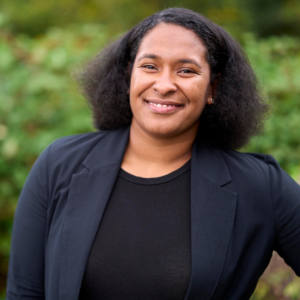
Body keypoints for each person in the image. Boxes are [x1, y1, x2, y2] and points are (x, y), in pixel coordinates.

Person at [6, 7, 300, 300]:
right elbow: (25, 293)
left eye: (186, 70)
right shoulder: (59, 165)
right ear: (128, 75)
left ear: (213, 87)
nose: (164, 85)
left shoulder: (260, 186)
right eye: (149, 66)